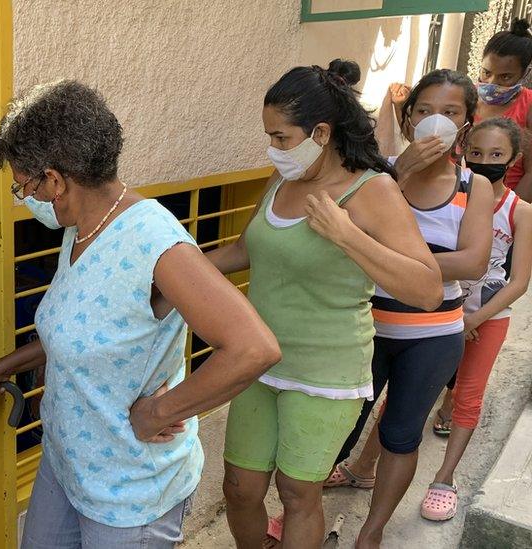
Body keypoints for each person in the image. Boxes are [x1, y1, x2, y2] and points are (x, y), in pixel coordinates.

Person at [0, 79, 281, 548]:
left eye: (22, 185)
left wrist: (159, 411)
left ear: (54, 180)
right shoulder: (82, 228)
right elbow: (80, 332)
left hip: (131, 491)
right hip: (68, 461)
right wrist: (0, 368)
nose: (24, 197)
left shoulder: (154, 242)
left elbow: (254, 349)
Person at [207, 59, 443, 549]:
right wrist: (172, 273)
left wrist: (346, 234)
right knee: (240, 487)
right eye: (269, 136)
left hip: (326, 370)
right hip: (258, 361)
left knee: (297, 493)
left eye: (281, 138)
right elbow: (245, 250)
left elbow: (426, 289)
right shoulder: (283, 182)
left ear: (320, 132)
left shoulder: (371, 189)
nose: (274, 149)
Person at [323, 69, 494, 549]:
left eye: (449, 112)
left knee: (401, 434)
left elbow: (473, 261)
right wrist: (398, 174)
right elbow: (341, 235)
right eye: (423, 111)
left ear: (467, 124)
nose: (434, 121)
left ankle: (371, 532)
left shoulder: (473, 185)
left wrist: (387, 256)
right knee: (336, 426)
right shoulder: (378, 173)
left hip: (433, 335)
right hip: (364, 326)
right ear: (407, 117)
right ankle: (304, 512)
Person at [418, 117, 532, 521]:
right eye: (477, 153)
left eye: (497, 155)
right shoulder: (453, 196)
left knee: (468, 395)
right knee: (411, 390)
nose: (485, 161)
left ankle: (444, 479)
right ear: (463, 149)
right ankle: (365, 468)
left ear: (514, 159)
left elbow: (518, 281)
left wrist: (475, 320)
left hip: (487, 318)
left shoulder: (521, 211)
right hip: (438, 312)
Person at [474, 18, 532, 200]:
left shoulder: (529, 106)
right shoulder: (466, 98)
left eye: (505, 77)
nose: (492, 83)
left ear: (525, 74)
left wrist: (507, 214)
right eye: (486, 72)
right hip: (461, 199)